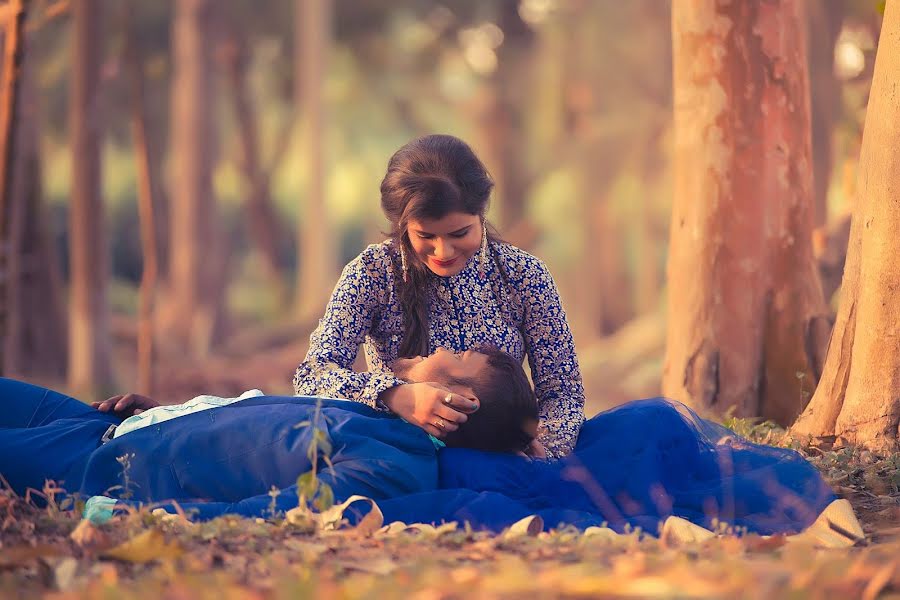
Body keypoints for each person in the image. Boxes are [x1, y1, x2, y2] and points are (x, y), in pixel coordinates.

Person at [292, 134, 585, 459]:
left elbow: (562, 391)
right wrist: (394, 396)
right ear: (402, 225)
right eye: (425, 235)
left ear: (481, 212)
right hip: (403, 458)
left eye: (460, 233)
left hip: (504, 465)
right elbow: (313, 375)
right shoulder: (372, 274)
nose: (443, 251)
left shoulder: (523, 275)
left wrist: (546, 456)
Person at [0, 347, 539, 510]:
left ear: (459, 401)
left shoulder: (396, 470)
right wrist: (172, 410)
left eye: (461, 356)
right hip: (105, 420)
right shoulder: (376, 407)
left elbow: (273, 512)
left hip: (98, 469)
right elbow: (251, 428)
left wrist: (132, 514)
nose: (442, 348)